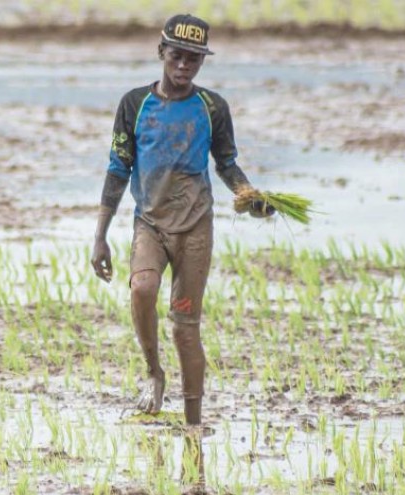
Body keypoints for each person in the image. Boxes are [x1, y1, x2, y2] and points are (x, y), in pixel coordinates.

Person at [91, 14, 273, 424]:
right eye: (177, 55)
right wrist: (100, 236)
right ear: (162, 53)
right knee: (142, 287)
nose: (184, 65)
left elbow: (227, 164)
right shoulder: (135, 105)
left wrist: (249, 196)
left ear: (202, 62)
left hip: (194, 228)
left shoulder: (212, 108)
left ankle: (193, 422)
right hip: (150, 224)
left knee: (185, 326)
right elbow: (118, 168)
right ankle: (154, 372)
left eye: (194, 59)